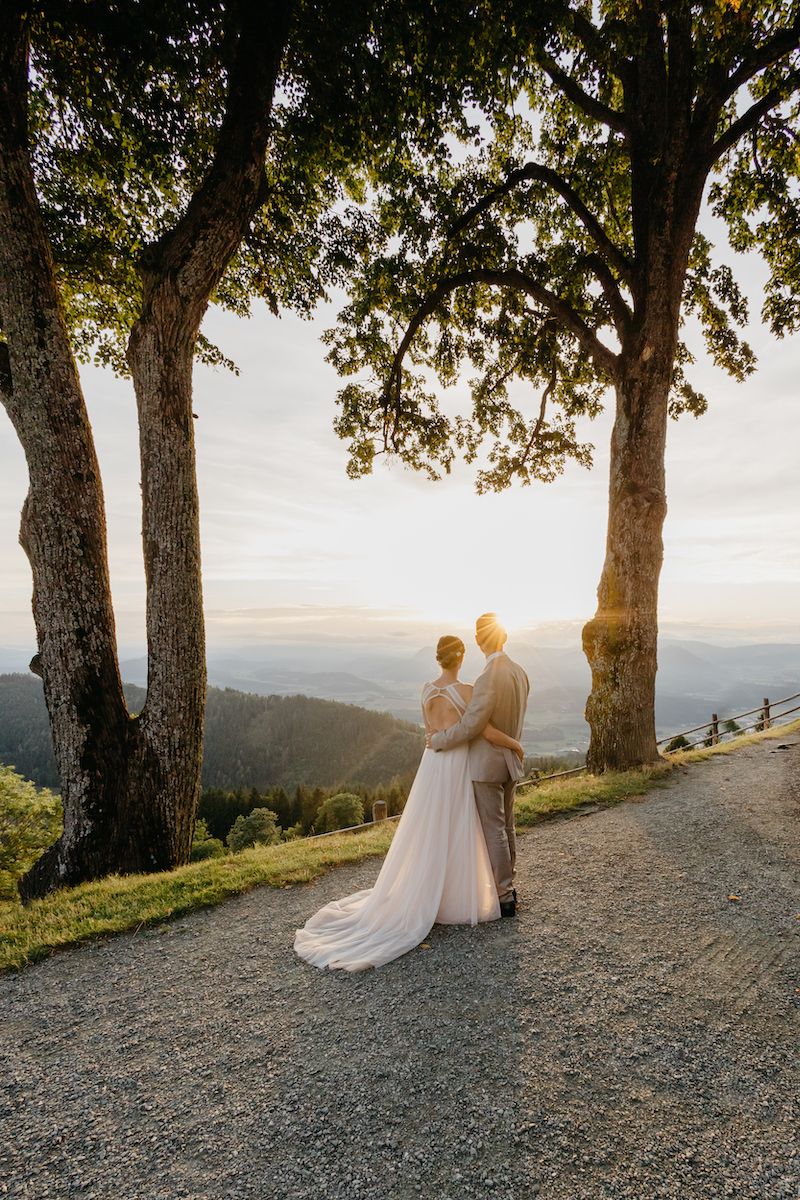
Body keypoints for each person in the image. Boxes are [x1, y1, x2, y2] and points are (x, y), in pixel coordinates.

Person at [294, 632, 524, 971]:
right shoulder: (467, 692)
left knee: (428, 827)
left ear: (438, 658)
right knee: (462, 827)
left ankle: (425, 885)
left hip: (432, 765)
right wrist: (515, 744)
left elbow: (428, 732)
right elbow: (482, 730)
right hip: (457, 763)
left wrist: (437, 739)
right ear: (460, 658)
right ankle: (458, 892)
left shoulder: (426, 691)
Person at [427, 613, 530, 917]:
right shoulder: (520, 672)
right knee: (508, 825)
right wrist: (513, 745)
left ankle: (504, 893)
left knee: (494, 829)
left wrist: (440, 740)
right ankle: (509, 882)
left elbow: (473, 724)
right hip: (512, 760)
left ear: (479, 640)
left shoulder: (488, 676)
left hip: (487, 764)